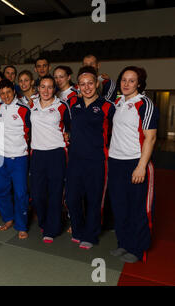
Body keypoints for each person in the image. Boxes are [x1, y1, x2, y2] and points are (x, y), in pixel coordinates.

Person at [108, 66, 158, 263]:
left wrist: (141, 166)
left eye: (131, 80)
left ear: (139, 83)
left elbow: (151, 138)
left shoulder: (145, 104)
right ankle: (124, 243)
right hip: (115, 162)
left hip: (135, 162)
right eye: (123, 80)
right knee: (120, 206)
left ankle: (138, 249)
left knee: (137, 208)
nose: (126, 84)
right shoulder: (119, 102)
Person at [65, 66, 115, 249]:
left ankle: (91, 235)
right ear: (78, 86)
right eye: (83, 84)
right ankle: (77, 230)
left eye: (90, 83)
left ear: (96, 84)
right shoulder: (73, 104)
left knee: (94, 199)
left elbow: (116, 132)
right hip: (75, 161)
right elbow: (68, 126)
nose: (87, 87)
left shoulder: (108, 106)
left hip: (97, 161)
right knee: (72, 198)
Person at [29, 75, 71, 243]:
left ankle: (52, 229)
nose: (46, 90)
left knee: (55, 193)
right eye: (43, 86)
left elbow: (71, 127)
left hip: (56, 154)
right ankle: (44, 221)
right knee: (37, 194)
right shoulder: (31, 104)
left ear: (55, 89)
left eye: (50, 87)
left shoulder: (62, 106)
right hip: (37, 154)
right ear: (38, 88)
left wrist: (69, 136)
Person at [0, 79, 31, 239]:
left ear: (14, 92)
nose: (6, 96)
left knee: (21, 193)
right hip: (0, 157)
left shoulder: (23, 110)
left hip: (19, 157)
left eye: (8, 92)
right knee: (1, 191)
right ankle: (8, 219)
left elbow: (31, 133)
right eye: (2, 93)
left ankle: (22, 225)